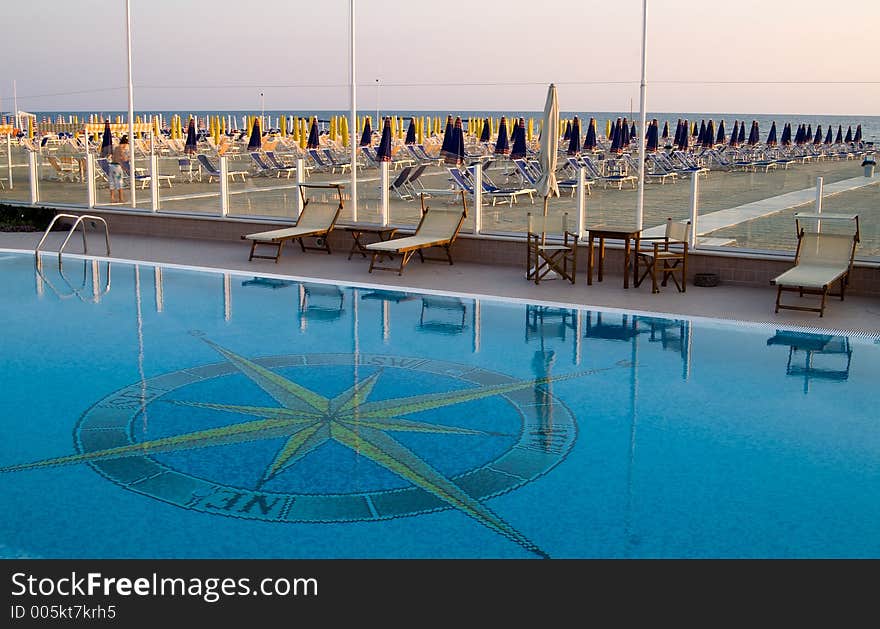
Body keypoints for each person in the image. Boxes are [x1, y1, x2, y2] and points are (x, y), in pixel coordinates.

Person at [108, 135, 130, 203]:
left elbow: (114, 158)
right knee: (119, 182)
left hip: (111, 166)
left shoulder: (116, 148)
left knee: (112, 182)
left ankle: (112, 198)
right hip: (117, 167)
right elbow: (124, 159)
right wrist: (128, 157)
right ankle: (121, 199)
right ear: (125, 144)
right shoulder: (121, 149)